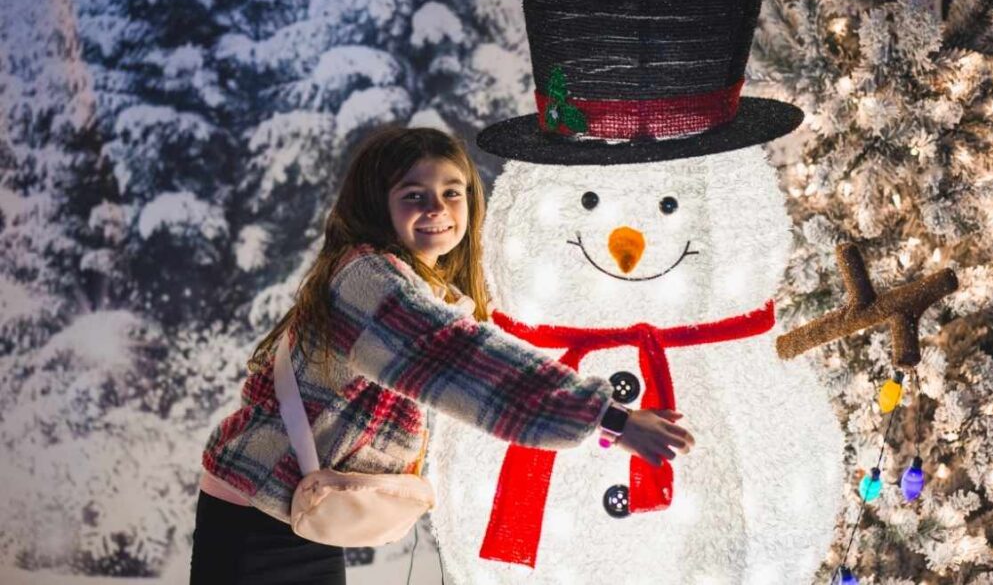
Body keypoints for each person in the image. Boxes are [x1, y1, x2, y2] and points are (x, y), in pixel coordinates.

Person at [190, 126, 695, 584]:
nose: (437, 208)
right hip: (257, 513)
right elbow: (464, 361)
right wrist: (610, 418)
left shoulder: (427, 289)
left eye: (452, 193)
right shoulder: (366, 280)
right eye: (414, 195)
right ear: (375, 204)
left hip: (296, 507)